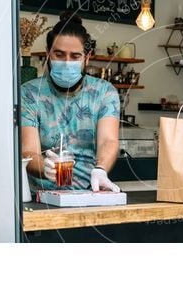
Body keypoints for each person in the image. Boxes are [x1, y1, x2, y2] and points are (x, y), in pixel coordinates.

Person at [21, 11, 120, 192]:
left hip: (92, 191)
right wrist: (45, 168)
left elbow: (108, 140)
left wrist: (100, 169)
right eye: (59, 54)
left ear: (87, 57)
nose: (67, 62)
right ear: (48, 54)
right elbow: (29, 151)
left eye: (75, 56)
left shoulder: (104, 92)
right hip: (42, 197)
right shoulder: (29, 93)